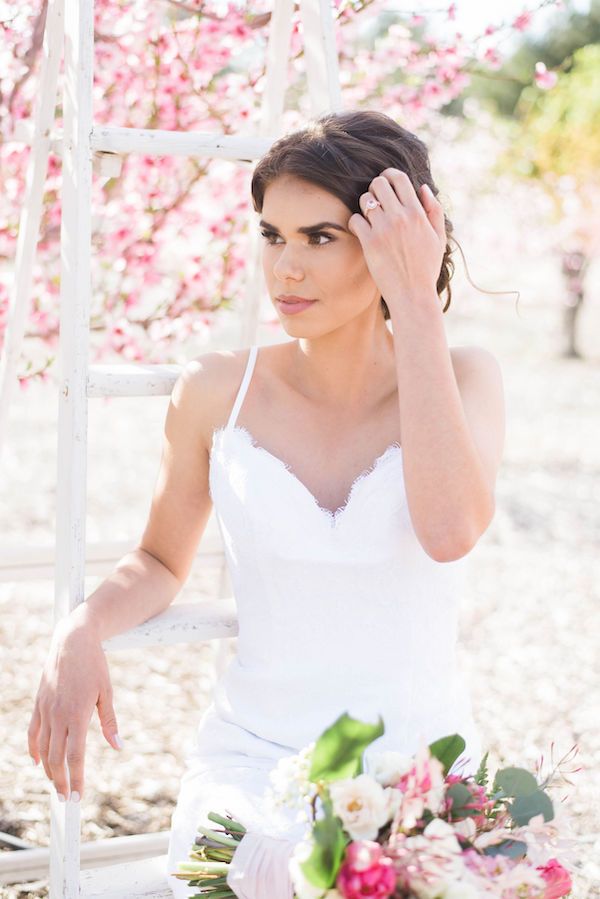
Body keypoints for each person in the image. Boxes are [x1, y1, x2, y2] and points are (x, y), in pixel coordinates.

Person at [27, 109, 505, 897]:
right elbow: (157, 557)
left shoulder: (470, 377)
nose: (285, 269)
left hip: (424, 767)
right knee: (279, 876)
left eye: (320, 237)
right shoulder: (217, 388)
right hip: (253, 766)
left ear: (399, 241)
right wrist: (82, 627)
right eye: (271, 235)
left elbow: (450, 529)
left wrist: (415, 304)